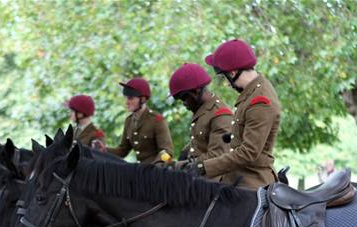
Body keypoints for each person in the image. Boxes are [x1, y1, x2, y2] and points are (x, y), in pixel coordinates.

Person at [191, 38, 281, 190]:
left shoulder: (260, 101)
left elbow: (248, 153)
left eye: (225, 78)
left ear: (232, 73)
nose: (227, 83)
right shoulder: (252, 92)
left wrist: (203, 167)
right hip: (235, 179)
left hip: (252, 184)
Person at [168, 63, 232, 171]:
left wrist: (179, 166)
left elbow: (217, 156)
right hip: (198, 177)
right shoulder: (202, 111)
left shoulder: (220, 114)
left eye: (184, 98)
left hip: (214, 182)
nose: (183, 103)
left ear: (196, 91)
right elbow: (200, 144)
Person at [107, 77, 174, 164]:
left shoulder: (157, 120)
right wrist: (104, 150)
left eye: (131, 98)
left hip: (156, 172)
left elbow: (167, 153)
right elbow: (123, 150)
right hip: (139, 172)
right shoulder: (129, 121)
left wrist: (156, 166)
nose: (127, 102)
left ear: (143, 99)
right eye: (126, 98)